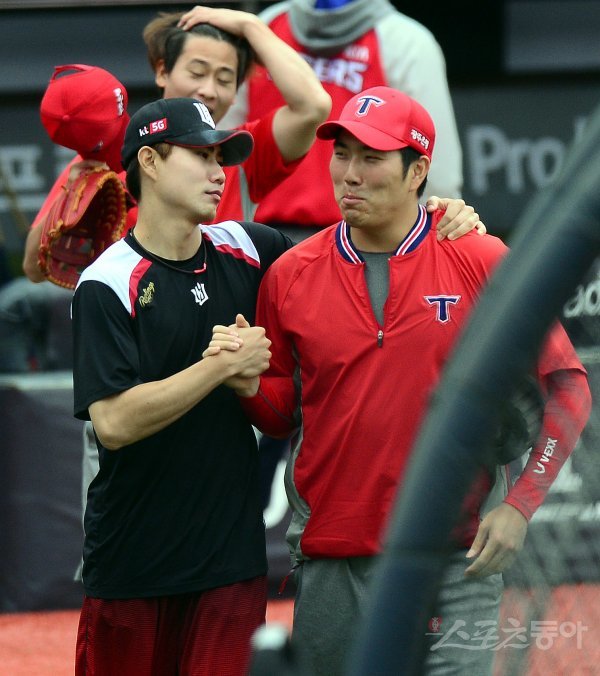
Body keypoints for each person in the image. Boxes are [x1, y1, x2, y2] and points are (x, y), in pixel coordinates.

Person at [203, 86, 592, 675]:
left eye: (372, 157)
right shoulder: (290, 274)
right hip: (334, 562)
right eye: (342, 154)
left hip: (456, 561)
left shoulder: (479, 257)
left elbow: (568, 386)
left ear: (418, 173)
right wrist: (243, 380)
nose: (350, 174)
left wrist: (519, 506)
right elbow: (284, 416)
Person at [70, 97, 292, 676]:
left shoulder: (252, 247)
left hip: (231, 565)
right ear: (149, 160)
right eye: (201, 155)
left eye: (221, 158)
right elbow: (114, 423)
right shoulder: (106, 281)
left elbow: (341, 261)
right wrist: (219, 366)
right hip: (132, 566)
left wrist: (435, 214)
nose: (219, 173)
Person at [203, 0, 463, 239]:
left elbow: (430, 154)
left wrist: (438, 221)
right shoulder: (262, 27)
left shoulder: (404, 40)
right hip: (259, 237)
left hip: (355, 239)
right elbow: (225, 144)